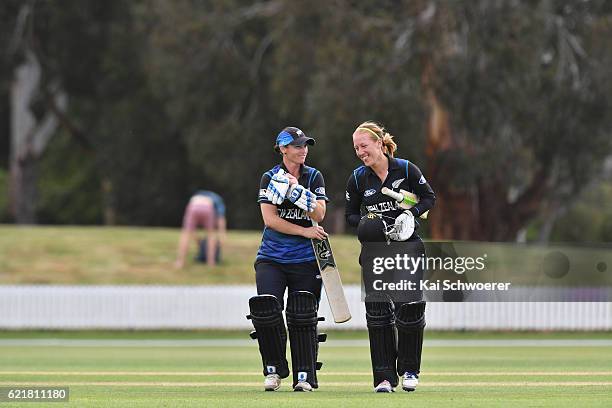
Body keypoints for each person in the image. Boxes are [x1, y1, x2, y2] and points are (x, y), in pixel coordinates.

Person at [345, 121, 436, 393]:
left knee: (409, 310)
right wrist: (368, 223)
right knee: (377, 315)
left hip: (407, 248)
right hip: (375, 253)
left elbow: (429, 199)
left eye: (364, 145)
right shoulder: (358, 178)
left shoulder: (406, 169)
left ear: (379, 144)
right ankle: (384, 377)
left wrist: (410, 213)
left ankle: (409, 370)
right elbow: (350, 214)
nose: (361, 152)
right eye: (356, 148)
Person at [246, 126, 329, 392]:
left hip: (305, 259)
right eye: (297, 146)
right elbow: (270, 220)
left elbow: (320, 214)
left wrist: (299, 194)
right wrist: (304, 231)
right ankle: (274, 369)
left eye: (305, 145)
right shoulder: (269, 177)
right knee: (266, 309)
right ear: (283, 149)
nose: (303, 150)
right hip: (272, 256)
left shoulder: (313, 176)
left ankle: (304, 376)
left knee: (303, 315)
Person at [174, 190, 226, 269]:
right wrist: (222, 234)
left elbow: (192, 229)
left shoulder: (198, 195)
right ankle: (211, 263)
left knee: (186, 234)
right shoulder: (218, 200)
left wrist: (196, 239)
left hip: (193, 205)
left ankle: (180, 262)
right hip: (208, 206)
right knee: (211, 235)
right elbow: (221, 218)